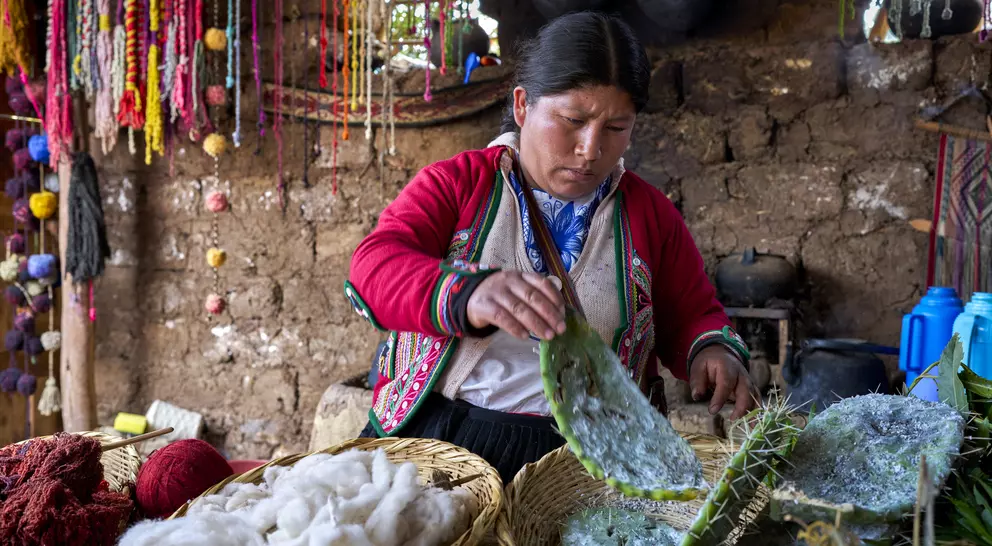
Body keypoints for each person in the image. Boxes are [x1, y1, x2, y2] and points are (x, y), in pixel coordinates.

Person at [344, 11, 757, 485]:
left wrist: (711, 351)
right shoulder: (458, 185)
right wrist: (466, 293)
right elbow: (373, 268)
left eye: (616, 128)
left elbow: (692, 312)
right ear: (523, 106)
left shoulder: (650, 215)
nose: (590, 148)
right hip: (445, 442)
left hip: (589, 462)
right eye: (573, 121)